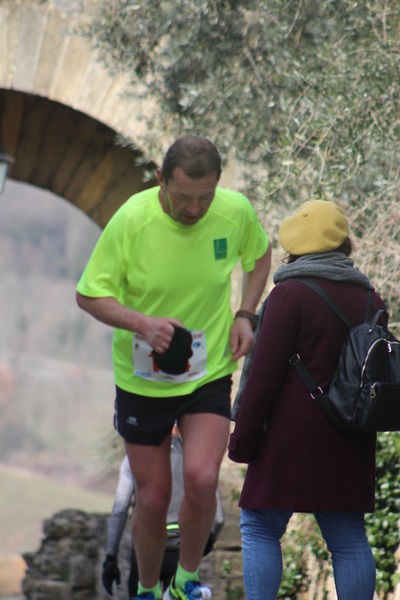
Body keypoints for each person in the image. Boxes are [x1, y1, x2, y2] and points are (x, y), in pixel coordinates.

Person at [76, 135, 271, 600]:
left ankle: (185, 583)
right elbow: (89, 294)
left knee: (203, 478)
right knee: (155, 496)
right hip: (143, 380)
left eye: (204, 198)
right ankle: (146, 588)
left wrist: (246, 313)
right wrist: (141, 323)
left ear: (218, 186)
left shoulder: (234, 211)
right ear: (161, 179)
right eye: (183, 197)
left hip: (207, 372)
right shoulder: (131, 220)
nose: (194, 210)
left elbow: (260, 257)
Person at [228, 199, 386, 600]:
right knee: (349, 538)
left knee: (260, 525)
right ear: (342, 245)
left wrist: (242, 439)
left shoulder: (289, 295)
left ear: (294, 247)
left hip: (289, 440)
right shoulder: (370, 298)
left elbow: (263, 376)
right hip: (350, 437)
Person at [102, 427, 225, 598]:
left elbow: (120, 508)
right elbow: (218, 518)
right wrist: (202, 546)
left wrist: (110, 557)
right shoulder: (197, 458)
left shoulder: (135, 458)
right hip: (180, 551)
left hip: (144, 553)